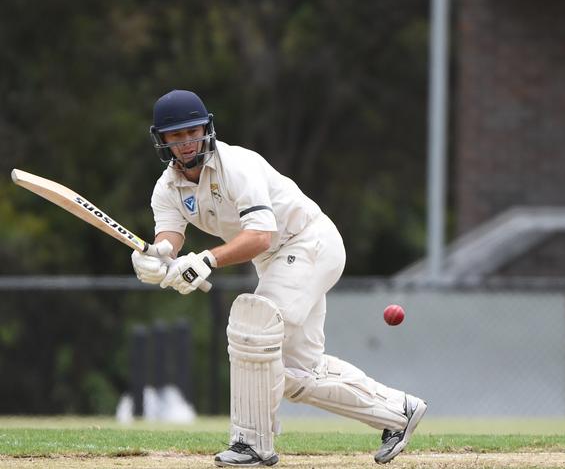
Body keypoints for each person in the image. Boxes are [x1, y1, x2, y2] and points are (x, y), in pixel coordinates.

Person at [131, 89, 427, 467]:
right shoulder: (168, 187)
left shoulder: (238, 165)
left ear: (207, 128)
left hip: (309, 242)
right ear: (163, 141)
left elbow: (260, 236)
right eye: (176, 136)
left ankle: (251, 443)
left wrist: (207, 259)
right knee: (294, 372)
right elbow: (169, 236)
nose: (186, 142)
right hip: (277, 260)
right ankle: (398, 412)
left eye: (193, 131)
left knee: (253, 326)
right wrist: (158, 257)